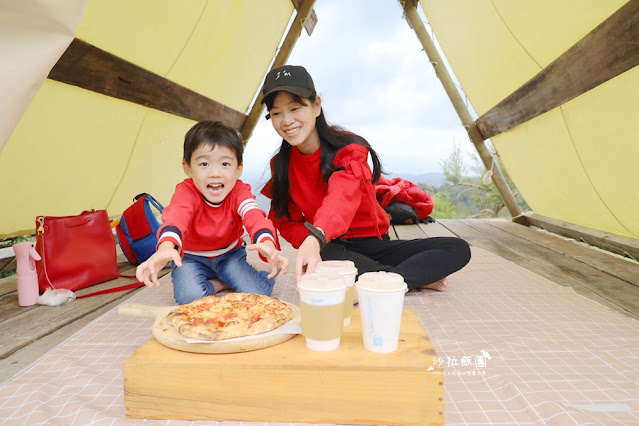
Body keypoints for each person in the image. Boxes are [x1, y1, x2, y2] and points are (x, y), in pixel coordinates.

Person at [259, 65, 470, 290]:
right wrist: (310, 242)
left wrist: (315, 237)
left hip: (371, 243)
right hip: (330, 247)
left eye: (295, 108)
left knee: (457, 248)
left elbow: (341, 198)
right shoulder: (281, 164)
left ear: (316, 105)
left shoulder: (348, 149)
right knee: (330, 259)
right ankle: (406, 279)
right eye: (276, 113)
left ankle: (381, 280)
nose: (287, 120)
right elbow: (284, 219)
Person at [136, 121, 288, 304]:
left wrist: (266, 242)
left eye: (225, 163)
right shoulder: (186, 192)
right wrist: (166, 247)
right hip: (191, 258)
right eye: (204, 164)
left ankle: (246, 272)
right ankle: (222, 284)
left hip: (230, 255)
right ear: (188, 168)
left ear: (238, 169)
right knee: (190, 298)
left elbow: (253, 215)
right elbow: (176, 216)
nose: (215, 173)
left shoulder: (239, 192)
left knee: (259, 292)